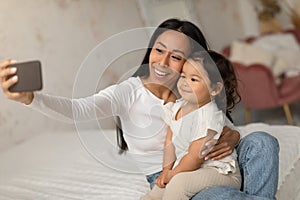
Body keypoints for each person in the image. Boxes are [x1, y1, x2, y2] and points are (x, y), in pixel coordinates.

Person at [0, 18, 279, 200]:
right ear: (150, 50)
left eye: (177, 57)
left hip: (213, 162)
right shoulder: (129, 92)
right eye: (159, 50)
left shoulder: (194, 88)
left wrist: (233, 135)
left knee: (264, 141)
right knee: (213, 195)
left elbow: (215, 123)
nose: (162, 62)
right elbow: (79, 109)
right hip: (172, 176)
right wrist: (31, 99)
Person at [140, 50, 242, 200]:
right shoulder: (176, 107)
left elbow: (196, 156)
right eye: (183, 76)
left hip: (218, 172)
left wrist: (173, 174)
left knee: (178, 184)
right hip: (188, 168)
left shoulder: (209, 116)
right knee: (156, 192)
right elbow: (170, 142)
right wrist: (166, 170)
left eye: (193, 79)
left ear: (215, 89)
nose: (185, 83)